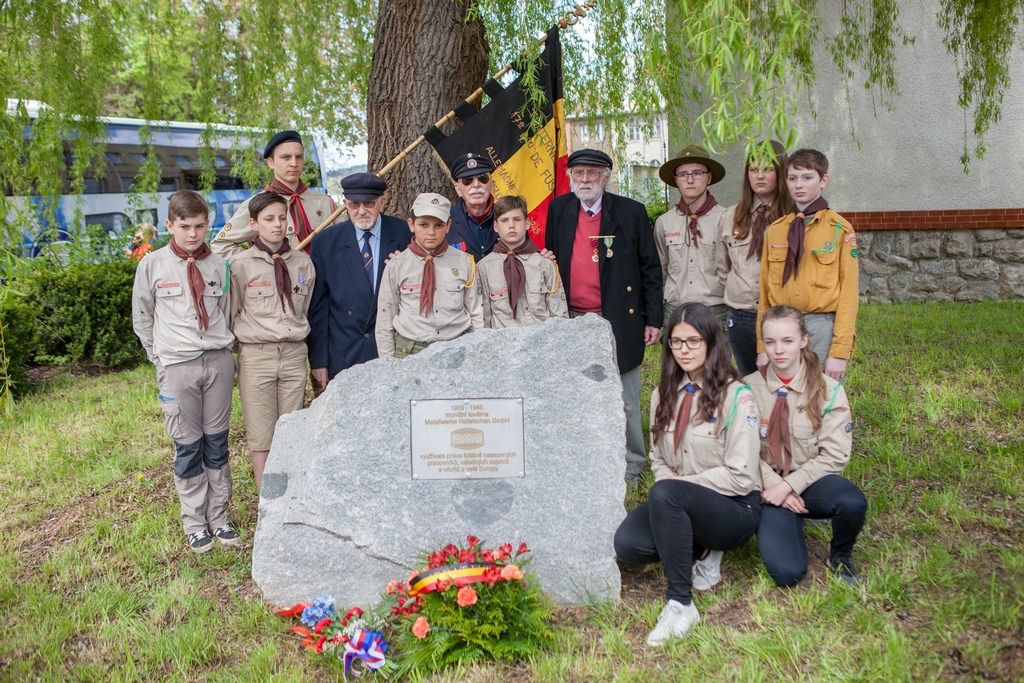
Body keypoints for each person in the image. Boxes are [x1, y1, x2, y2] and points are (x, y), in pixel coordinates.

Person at [613, 302, 761, 646]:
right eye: (677, 342)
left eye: (694, 341)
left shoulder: (737, 396)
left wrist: (678, 488)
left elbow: (741, 477)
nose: (684, 350)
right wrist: (673, 489)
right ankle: (697, 548)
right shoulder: (662, 395)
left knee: (667, 495)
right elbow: (658, 459)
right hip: (678, 501)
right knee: (629, 544)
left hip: (734, 506)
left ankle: (681, 603)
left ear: (711, 342)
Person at [545, 148, 663, 483]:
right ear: (570, 177)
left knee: (625, 398)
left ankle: (632, 464)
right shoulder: (559, 209)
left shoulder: (631, 212)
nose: (585, 179)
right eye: (579, 173)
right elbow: (552, 260)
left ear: (606, 177)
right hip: (572, 319)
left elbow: (650, 268)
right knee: (576, 394)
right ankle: (587, 461)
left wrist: (653, 318)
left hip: (618, 319)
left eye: (592, 173)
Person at [131, 190, 239, 553]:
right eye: (185, 226)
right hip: (177, 365)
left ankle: (220, 517)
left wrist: (227, 355)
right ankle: (195, 523)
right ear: (169, 225)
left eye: (199, 226)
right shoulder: (152, 265)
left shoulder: (219, 264)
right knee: (189, 445)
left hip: (217, 362)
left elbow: (226, 310)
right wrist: (159, 359)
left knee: (217, 442)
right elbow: (143, 317)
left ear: (208, 225)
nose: (193, 234)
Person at [746, 305, 867, 586]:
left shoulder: (828, 390)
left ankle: (841, 556)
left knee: (851, 502)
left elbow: (834, 455)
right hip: (766, 485)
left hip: (811, 481)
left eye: (787, 341)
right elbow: (740, 450)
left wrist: (790, 485)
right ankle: (780, 521)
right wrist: (774, 486)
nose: (778, 350)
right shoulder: (747, 389)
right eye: (770, 342)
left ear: (803, 340)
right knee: (787, 573)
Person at [229, 192, 315, 491]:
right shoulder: (241, 265)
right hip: (257, 356)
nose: (277, 225)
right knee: (261, 435)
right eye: (268, 219)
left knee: (291, 430)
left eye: (281, 217)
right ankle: (267, 502)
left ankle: (291, 498)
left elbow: (305, 309)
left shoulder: (303, 263)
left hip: (293, 355)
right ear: (254, 224)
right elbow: (233, 310)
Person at [756, 148, 858, 381]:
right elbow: (764, 293)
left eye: (807, 177)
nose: (798, 185)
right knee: (783, 393)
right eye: (792, 178)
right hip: (780, 325)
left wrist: (839, 352)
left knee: (820, 393)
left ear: (823, 181)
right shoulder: (775, 230)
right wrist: (762, 345)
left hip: (821, 326)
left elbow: (849, 295)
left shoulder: (840, 230)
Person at [308, 173, 410, 388]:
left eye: (369, 203)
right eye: (354, 204)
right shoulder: (325, 243)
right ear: (345, 204)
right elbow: (319, 308)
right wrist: (319, 360)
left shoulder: (404, 233)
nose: (361, 210)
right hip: (345, 353)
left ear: (382, 202)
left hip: (393, 350)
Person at [375, 193, 483, 358]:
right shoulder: (397, 266)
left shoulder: (465, 262)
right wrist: (387, 363)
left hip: (458, 348)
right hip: (410, 351)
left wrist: (478, 353)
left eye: (438, 225)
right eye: (423, 225)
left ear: (448, 226)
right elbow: (385, 320)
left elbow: (476, 313)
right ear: (411, 224)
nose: (431, 232)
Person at [715, 141, 791, 376]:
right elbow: (722, 267)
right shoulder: (730, 216)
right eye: (753, 169)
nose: (759, 176)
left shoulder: (795, 216)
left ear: (781, 171)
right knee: (750, 380)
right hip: (742, 315)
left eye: (767, 169)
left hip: (783, 314)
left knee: (785, 382)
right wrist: (740, 289)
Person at [212, 130, 336, 258]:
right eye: (286, 157)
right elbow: (220, 246)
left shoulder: (325, 202)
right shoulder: (257, 204)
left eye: (299, 157)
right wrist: (259, 262)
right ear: (270, 162)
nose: (294, 163)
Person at [655, 145, 728, 328]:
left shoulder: (726, 219)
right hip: (675, 310)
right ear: (675, 179)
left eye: (697, 173)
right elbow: (659, 271)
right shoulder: (665, 222)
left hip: (715, 310)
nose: (689, 180)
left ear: (709, 177)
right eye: (683, 174)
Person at [477, 195, 567, 328]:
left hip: (541, 337)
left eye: (517, 219)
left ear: (527, 223)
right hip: (503, 339)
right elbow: (483, 319)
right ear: (495, 226)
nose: (511, 225)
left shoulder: (545, 264)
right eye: (504, 220)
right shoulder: (484, 268)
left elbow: (560, 316)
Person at [446, 152, 498, 260]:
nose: (476, 185)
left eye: (482, 178)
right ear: (458, 189)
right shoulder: (445, 220)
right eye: (467, 180)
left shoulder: (508, 217)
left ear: (492, 185)